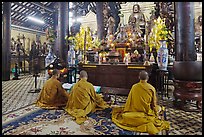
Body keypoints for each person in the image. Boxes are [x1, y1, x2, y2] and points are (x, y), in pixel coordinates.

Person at [111, 70, 170, 135]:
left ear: (139, 77)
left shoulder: (134, 87)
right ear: (148, 78)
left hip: (133, 111)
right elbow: (153, 104)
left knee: (125, 116)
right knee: (159, 108)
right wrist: (156, 111)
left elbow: (129, 101)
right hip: (146, 112)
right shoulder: (151, 88)